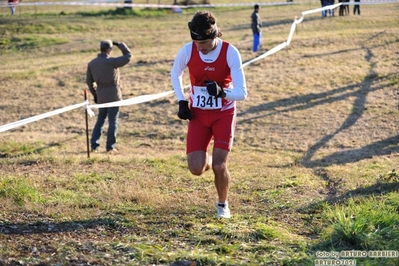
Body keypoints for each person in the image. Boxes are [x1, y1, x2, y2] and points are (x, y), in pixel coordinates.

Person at [170, 10, 247, 219]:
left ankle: (223, 205)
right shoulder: (188, 50)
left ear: (214, 36)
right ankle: (211, 159)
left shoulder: (230, 52)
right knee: (196, 168)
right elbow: (175, 73)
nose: (200, 49)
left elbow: (242, 93)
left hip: (223, 114)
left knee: (220, 165)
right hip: (198, 114)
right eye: (197, 44)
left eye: (204, 44)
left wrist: (222, 92)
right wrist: (181, 100)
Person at [86, 40, 131, 153]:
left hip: (101, 95)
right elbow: (128, 56)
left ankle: (94, 145)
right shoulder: (112, 61)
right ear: (109, 50)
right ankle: (110, 147)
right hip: (113, 95)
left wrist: (95, 94)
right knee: (113, 121)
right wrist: (120, 44)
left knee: (100, 120)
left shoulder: (92, 64)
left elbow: (89, 81)